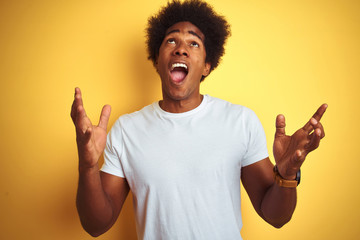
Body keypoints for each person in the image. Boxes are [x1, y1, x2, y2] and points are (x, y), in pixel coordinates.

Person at [70, 0, 327, 239]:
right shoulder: (127, 129)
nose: (181, 48)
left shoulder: (240, 121)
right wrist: (88, 167)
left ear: (206, 66)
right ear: (157, 61)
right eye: (171, 41)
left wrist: (287, 173)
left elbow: (276, 217)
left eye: (193, 43)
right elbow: (96, 225)